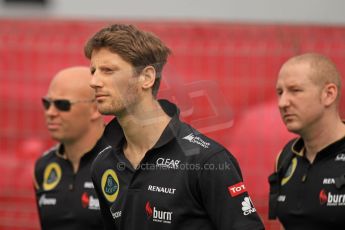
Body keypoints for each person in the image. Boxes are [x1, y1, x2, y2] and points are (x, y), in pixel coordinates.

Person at [83, 24, 265, 230]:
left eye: (108, 70)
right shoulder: (103, 163)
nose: (94, 81)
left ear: (147, 77)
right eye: (93, 71)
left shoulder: (206, 160)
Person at [268, 53, 345, 229]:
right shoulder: (284, 158)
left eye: (295, 90)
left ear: (329, 94)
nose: (282, 102)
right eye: (280, 92)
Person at [33, 66, 105, 230]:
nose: (50, 112)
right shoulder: (43, 167)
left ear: (95, 108)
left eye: (62, 104)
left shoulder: (125, 163)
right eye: (47, 103)